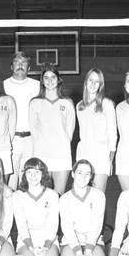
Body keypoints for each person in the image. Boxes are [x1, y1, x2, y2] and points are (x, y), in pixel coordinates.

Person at [29, 64, 76, 195]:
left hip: (62, 154)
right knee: (42, 194)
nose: (50, 81)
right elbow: (34, 131)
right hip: (42, 153)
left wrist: (60, 144)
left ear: (59, 79)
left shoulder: (67, 103)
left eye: (53, 77)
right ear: (42, 81)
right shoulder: (35, 103)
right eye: (46, 78)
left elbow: (69, 131)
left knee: (58, 194)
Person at [13, 157, 60, 256]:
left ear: (43, 174)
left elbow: (53, 225)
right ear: (24, 174)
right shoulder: (17, 196)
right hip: (27, 241)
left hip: (48, 240)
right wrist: (31, 247)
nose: (33, 176)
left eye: (37, 172)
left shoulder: (53, 195)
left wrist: (46, 247)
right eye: (29, 172)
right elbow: (21, 225)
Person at [59, 159, 106, 256]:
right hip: (72, 242)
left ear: (91, 177)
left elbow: (97, 224)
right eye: (79, 172)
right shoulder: (65, 199)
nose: (83, 177)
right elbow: (67, 227)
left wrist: (89, 250)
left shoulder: (98, 196)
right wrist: (78, 252)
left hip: (93, 241)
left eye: (87, 174)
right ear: (73, 174)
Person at [3, 52, 40, 190]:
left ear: (29, 68)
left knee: (29, 182)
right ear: (11, 66)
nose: (20, 65)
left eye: (23, 62)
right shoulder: (3, 85)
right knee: (10, 184)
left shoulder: (37, 85)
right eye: (17, 62)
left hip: (31, 139)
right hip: (10, 139)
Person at [76, 68, 117, 193]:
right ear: (85, 82)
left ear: (101, 85)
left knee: (98, 198)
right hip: (83, 155)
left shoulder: (107, 104)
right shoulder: (79, 106)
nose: (93, 84)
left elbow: (113, 134)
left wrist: (110, 158)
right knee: (83, 197)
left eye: (97, 81)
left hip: (100, 157)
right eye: (91, 80)